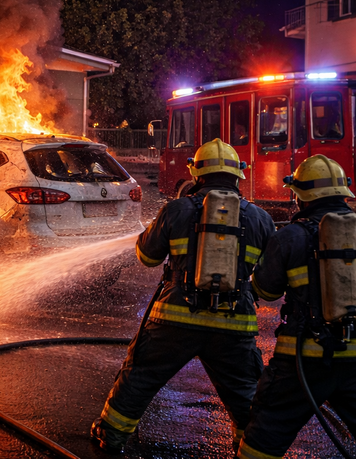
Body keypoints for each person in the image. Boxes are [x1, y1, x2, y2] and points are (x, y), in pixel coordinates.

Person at [91, 138, 276, 454]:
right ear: (238, 175)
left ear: (196, 174)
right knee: (246, 392)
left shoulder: (176, 209)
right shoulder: (261, 219)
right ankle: (252, 448)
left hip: (175, 321)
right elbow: (269, 285)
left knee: (142, 376)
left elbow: (148, 258)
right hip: (234, 326)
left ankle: (110, 437)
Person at [238, 155, 356, 459]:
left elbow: (265, 288)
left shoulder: (290, 236)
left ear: (300, 195)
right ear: (344, 192)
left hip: (301, 361)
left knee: (265, 435)